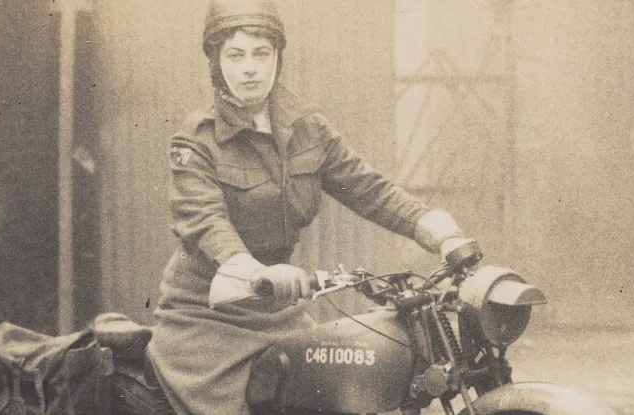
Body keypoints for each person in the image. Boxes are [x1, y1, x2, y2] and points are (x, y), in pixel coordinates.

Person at [147, 0, 475, 413]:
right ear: (216, 62)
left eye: (261, 53)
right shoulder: (196, 141)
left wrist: (434, 228)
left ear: (277, 57)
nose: (250, 67)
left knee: (328, 388)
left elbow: (368, 188)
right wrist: (248, 270)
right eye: (236, 54)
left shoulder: (308, 129)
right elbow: (206, 221)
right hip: (209, 317)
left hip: (280, 311)